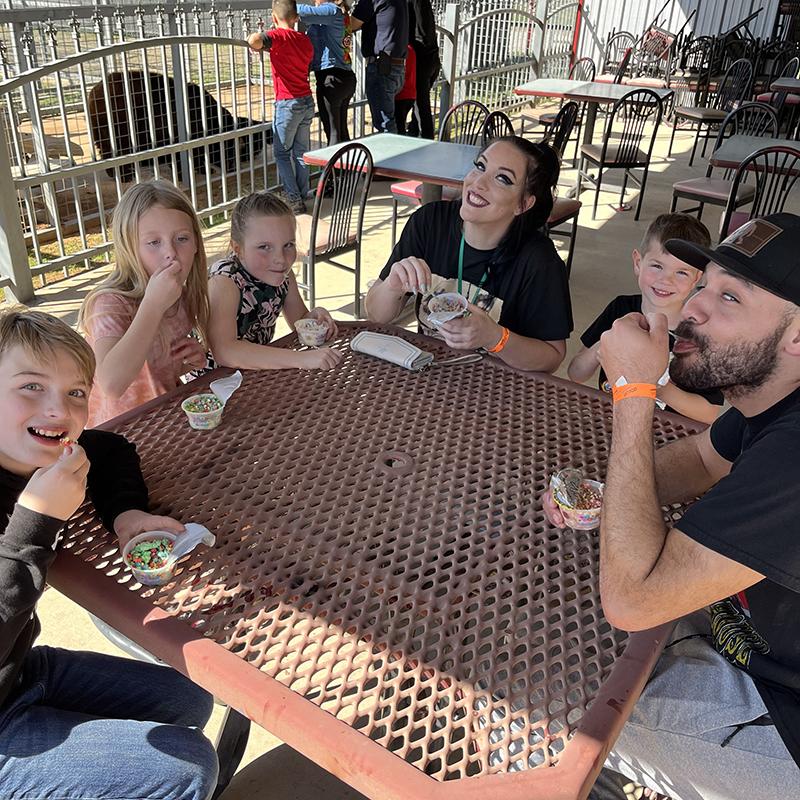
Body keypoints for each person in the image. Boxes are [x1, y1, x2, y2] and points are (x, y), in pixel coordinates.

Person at [544, 213, 800, 800]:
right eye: (703, 284)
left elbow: (632, 601)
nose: (693, 308)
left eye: (729, 297)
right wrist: (600, 496)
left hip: (782, 716)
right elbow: (702, 461)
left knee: (537, 699)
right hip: (737, 634)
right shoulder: (774, 395)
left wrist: (635, 392)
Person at [0, 308, 218, 800]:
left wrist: (125, 515)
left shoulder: (40, 451)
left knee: (190, 697)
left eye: (76, 393)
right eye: (31, 386)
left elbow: (108, 447)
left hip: (18, 671)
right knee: (187, 768)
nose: (59, 411)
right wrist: (34, 522)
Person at [365, 136, 572, 372]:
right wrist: (393, 286)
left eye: (502, 179)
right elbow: (376, 314)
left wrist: (495, 337)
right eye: (480, 166)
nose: (478, 183)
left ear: (523, 204)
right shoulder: (429, 222)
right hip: (426, 373)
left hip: (499, 388)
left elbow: (552, 357)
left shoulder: (539, 261)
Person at [568, 213, 724, 424]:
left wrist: (654, 385)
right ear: (638, 263)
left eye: (681, 273)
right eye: (657, 266)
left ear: (697, 278)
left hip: (668, 434)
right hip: (610, 419)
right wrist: (606, 342)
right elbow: (576, 373)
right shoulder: (620, 309)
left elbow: (709, 413)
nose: (665, 280)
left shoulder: (701, 332)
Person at [79, 180, 210, 428]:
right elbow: (112, 384)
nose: (170, 252)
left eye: (182, 238)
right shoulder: (109, 304)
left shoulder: (180, 298)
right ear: (130, 249)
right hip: (119, 431)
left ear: (195, 245)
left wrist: (189, 360)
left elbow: (151, 374)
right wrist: (153, 306)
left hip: (166, 419)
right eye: (154, 243)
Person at [207, 191, 343, 371]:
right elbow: (225, 350)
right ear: (238, 249)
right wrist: (300, 359)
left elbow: (299, 321)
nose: (280, 258)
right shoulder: (224, 282)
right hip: (213, 384)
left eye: (288, 245)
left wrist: (314, 317)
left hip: (258, 375)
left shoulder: (284, 276)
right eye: (264, 247)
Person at [248, 0, 315, 214]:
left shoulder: (277, 37)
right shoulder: (305, 41)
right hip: (306, 100)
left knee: (282, 153)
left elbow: (255, 40)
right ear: (296, 17)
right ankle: (303, 191)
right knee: (301, 152)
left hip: (288, 102)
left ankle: (294, 199)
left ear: (273, 18)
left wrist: (263, 38)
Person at [297, 0, 356, 146]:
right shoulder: (336, 13)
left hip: (332, 78)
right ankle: (348, 167)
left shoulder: (331, 10)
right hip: (342, 77)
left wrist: (280, 5)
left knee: (333, 134)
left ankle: (334, 168)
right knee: (341, 131)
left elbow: (298, 10)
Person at [350, 0, 408, 133]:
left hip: (381, 67)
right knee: (389, 121)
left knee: (384, 125)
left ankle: (392, 153)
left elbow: (351, 24)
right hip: (396, 65)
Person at [406, 0, 440, 139]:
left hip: (420, 58)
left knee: (421, 107)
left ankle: (427, 142)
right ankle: (414, 134)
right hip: (431, 56)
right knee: (419, 107)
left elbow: (419, 31)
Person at [394, 42, 416, 135]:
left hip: (400, 95)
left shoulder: (399, 50)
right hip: (411, 94)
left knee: (399, 127)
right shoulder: (411, 49)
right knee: (401, 124)